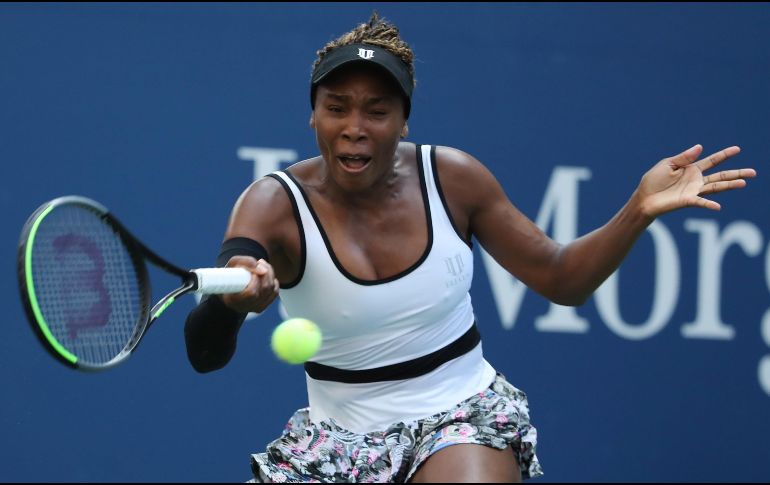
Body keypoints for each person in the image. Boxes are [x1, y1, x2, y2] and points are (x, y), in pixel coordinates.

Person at [184, 12, 756, 483]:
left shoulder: (453, 178)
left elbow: (562, 279)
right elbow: (204, 352)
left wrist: (638, 208)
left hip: (460, 416)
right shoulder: (272, 203)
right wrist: (233, 303)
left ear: (404, 121)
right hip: (334, 440)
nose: (355, 126)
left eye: (377, 111)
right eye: (337, 107)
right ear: (313, 115)